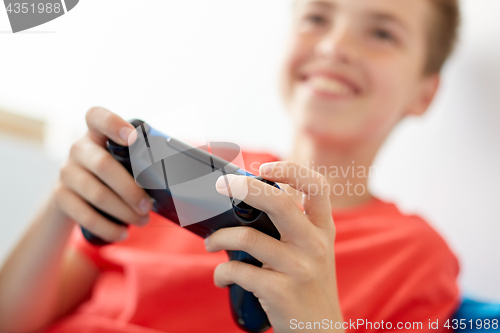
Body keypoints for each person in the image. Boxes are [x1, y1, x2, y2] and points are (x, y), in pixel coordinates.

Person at [0, 0, 461, 332]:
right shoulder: (180, 171)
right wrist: (64, 203)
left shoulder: (415, 256)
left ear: (426, 92)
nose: (334, 45)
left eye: (382, 32)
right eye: (317, 17)